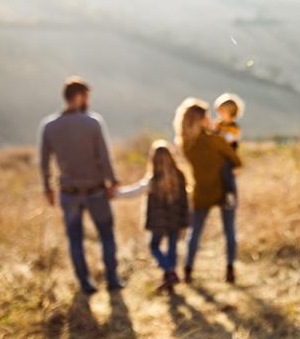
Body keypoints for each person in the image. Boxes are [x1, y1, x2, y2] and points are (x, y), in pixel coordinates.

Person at [38, 76, 125, 294]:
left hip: (68, 192)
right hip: (95, 190)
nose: (88, 101)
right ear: (79, 96)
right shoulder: (93, 122)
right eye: (87, 96)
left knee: (75, 239)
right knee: (106, 235)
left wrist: (47, 189)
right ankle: (112, 280)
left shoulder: (49, 126)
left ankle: (85, 284)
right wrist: (113, 181)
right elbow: (104, 157)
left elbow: (44, 161)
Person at [174, 97, 242, 284]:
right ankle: (230, 270)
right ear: (201, 119)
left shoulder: (185, 144)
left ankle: (187, 270)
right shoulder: (215, 140)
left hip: (201, 190)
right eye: (207, 116)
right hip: (225, 188)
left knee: (194, 231)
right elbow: (236, 160)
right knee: (229, 230)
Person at [115, 140, 190, 292]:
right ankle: (170, 277)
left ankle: (169, 272)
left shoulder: (153, 179)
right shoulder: (180, 175)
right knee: (172, 248)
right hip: (176, 219)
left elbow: (134, 191)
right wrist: (185, 217)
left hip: (159, 221)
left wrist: (115, 193)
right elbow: (186, 199)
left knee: (154, 246)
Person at [212, 93, 244, 210]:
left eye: (222, 113)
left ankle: (230, 193)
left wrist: (218, 131)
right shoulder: (219, 124)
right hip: (219, 155)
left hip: (229, 156)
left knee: (226, 171)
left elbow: (229, 140)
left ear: (231, 114)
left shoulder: (234, 128)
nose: (220, 116)